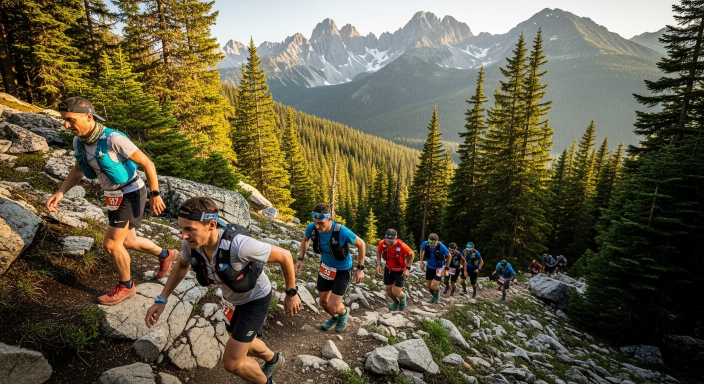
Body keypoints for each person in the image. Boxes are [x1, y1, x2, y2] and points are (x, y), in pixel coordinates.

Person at [145, 197, 301, 384]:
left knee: (233, 363)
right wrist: (161, 300)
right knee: (242, 341)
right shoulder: (192, 244)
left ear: (211, 225)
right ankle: (274, 359)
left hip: (255, 298)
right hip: (231, 299)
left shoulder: (239, 245)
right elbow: (181, 265)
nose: (183, 236)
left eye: (190, 229)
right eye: (181, 228)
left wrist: (291, 293)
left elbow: (285, 255)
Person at [47, 97, 178, 305]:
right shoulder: (79, 140)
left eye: (71, 120)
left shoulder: (113, 139)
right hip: (113, 196)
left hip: (131, 192)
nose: (66, 125)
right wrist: (61, 192)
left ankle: (126, 286)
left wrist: (155, 194)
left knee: (111, 244)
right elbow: (79, 169)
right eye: (65, 120)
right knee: (129, 241)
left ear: (88, 116)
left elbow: (147, 163)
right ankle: (166, 254)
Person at [295, 203, 366, 332]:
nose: (317, 226)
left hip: (342, 270)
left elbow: (361, 244)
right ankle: (334, 318)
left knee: (333, 305)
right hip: (326, 268)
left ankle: (343, 313)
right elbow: (305, 239)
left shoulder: (342, 231)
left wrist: (360, 268)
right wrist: (300, 259)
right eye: (315, 222)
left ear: (330, 219)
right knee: (323, 302)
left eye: (320, 223)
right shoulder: (312, 228)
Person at [375, 229, 415, 311]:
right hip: (389, 269)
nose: (389, 241)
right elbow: (378, 251)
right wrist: (379, 264)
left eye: (391, 240)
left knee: (396, 292)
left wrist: (408, 269)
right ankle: (396, 302)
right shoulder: (382, 243)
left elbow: (412, 254)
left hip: (401, 270)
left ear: (395, 238)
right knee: (389, 292)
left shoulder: (402, 246)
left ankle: (402, 297)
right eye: (387, 239)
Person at [418, 233, 450, 303]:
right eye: (430, 243)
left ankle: (437, 296)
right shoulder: (425, 244)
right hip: (429, 266)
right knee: (429, 287)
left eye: (433, 243)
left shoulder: (442, 247)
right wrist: (421, 261)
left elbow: (449, 255)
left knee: (433, 285)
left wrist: (446, 267)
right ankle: (434, 296)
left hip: (439, 268)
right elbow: (421, 250)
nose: (431, 245)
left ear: (437, 241)